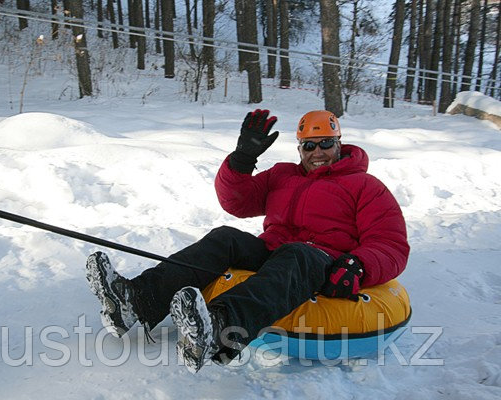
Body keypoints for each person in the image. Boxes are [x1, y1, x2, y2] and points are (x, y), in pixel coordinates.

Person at [86, 109, 410, 373]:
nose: (318, 152)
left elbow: (390, 241)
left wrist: (359, 265)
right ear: (299, 149)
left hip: (322, 260)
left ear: (338, 143)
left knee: (297, 254)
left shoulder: (364, 185)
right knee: (225, 238)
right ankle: (136, 301)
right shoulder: (284, 175)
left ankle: (221, 330)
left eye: (325, 143)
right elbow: (237, 203)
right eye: (309, 146)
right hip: (275, 250)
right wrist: (241, 160)